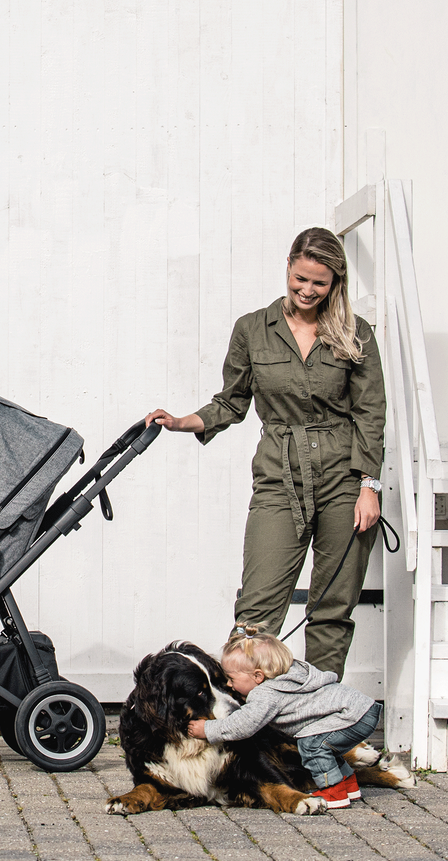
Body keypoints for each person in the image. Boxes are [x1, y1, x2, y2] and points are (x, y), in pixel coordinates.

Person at [146, 226, 384, 679]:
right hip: (280, 476)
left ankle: (317, 726)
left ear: (336, 282)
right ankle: (248, 722)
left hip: (345, 480)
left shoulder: (356, 334)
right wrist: (180, 422)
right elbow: (231, 402)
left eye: (320, 282)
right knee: (255, 615)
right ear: (288, 268)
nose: (307, 290)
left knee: (332, 609)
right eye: (300, 279)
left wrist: (368, 487)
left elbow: (371, 413)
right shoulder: (253, 330)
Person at [187, 627, 382, 809]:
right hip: (362, 710)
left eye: (231, 679)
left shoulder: (266, 694)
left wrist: (207, 729)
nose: (228, 685)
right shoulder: (290, 674)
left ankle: (334, 793)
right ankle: (349, 785)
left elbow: (242, 726)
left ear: (258, 676)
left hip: (350, 717)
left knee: (312, 747)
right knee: (328, 748)